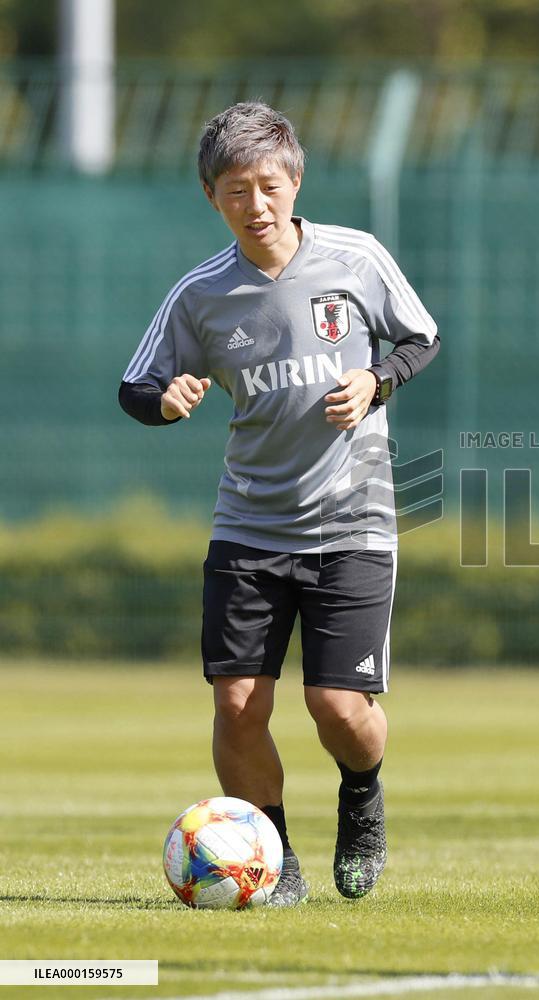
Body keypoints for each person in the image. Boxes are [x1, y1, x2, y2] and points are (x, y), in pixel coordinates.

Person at [119, 102, 440, 906]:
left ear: (295, 182)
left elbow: (421, 337)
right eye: (236, 190)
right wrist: (166, 401)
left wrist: (376, 380)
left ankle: (361, 797)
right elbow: (135, 386)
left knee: (337, 707)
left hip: (353, 521)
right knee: (237, 704)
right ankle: (272, 857)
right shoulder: (200, 294)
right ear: (212, 197)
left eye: (268, 185)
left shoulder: (355, 257)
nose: (255, 205)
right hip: (249, 525)